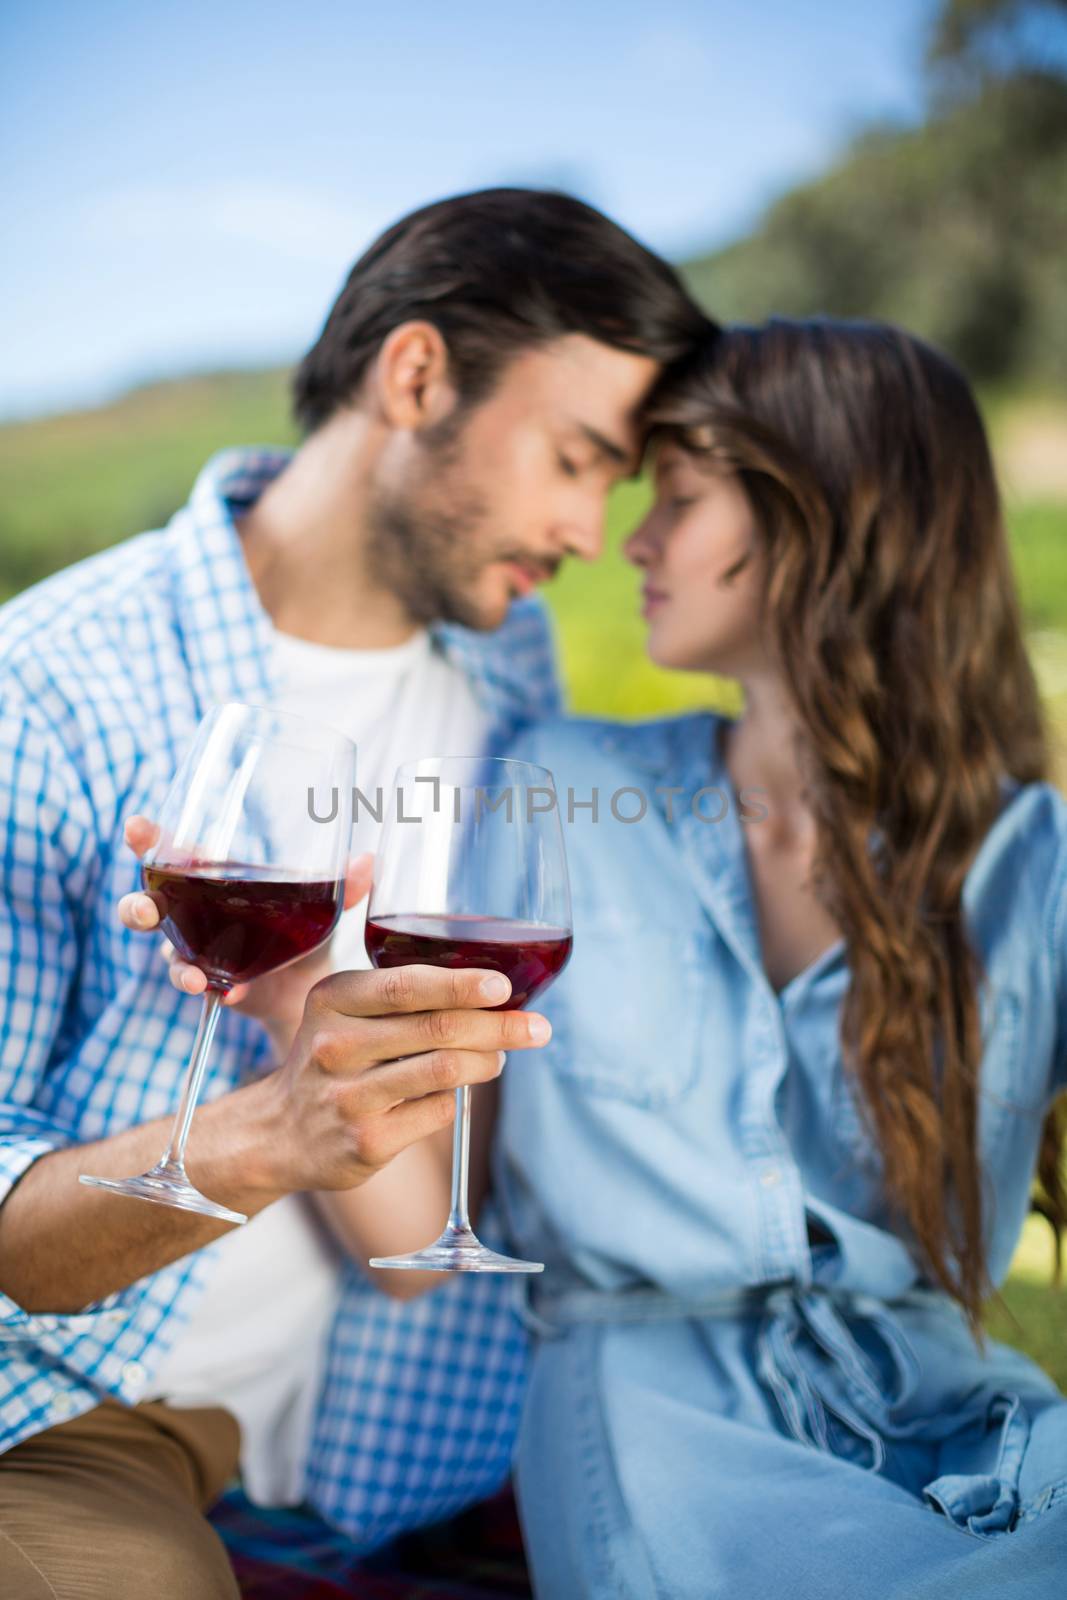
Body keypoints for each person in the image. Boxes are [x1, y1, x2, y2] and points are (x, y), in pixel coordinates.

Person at [0, 187, 713, 1598]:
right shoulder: (54, 687)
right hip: (70, 1411)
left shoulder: (507, 679)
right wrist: (273, 1124)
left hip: (379, 1424)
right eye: (573, 459)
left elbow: (421, 1217)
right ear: (414, 375)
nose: (586, 528)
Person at [491, 318, 1067, 1597]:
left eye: (679, 501)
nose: (628, 541)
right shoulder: (558, 791)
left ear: (829, 527)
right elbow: (428, 1198)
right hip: (666, 1428)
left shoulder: (1027, 858)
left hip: (971, 1419)